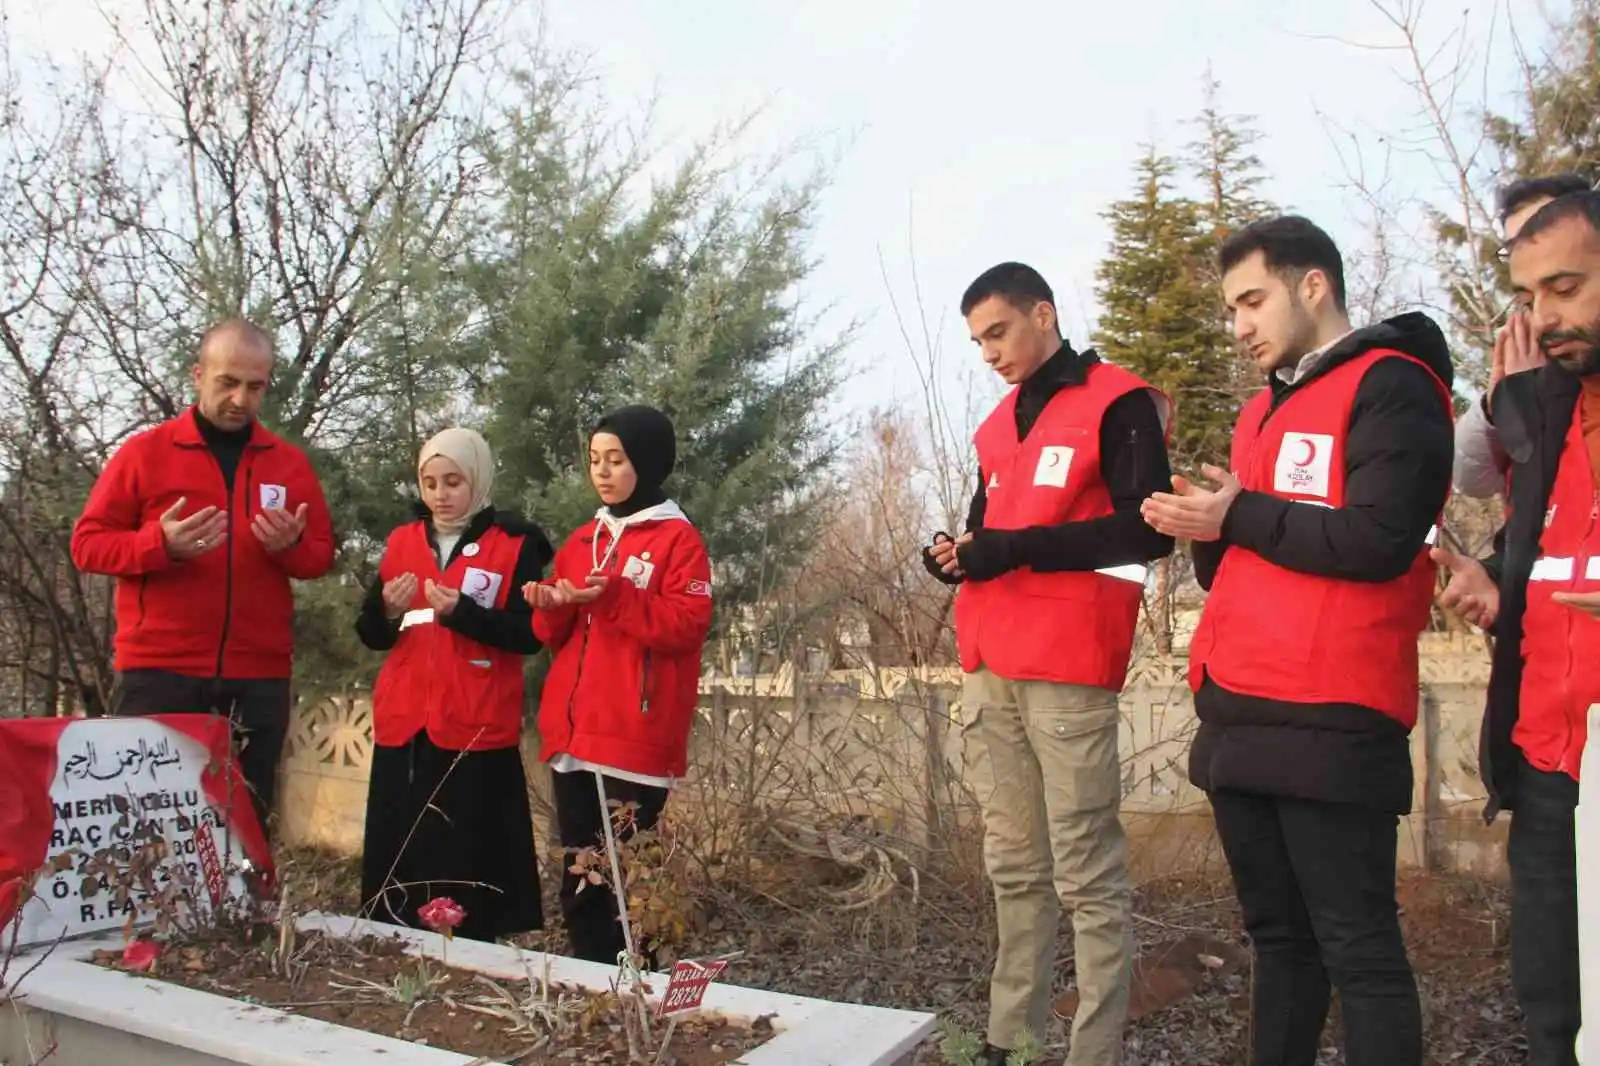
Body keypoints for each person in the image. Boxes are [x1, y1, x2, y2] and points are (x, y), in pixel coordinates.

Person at [1140, 215, 1454, 1066]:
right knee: (1278, 943)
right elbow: (1244, 569)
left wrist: (1239, 513)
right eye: (1230, 309)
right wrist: (1207, 527)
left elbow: (1379, 539)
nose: (1239, 325)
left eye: (1252, 300)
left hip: (1332, 716)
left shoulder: (1394, 386)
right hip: (1241, 714)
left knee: (1359, 950)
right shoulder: (1261, 412)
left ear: (1312, 284)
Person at [922, 262, 1175, 1066]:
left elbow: (1147, 531)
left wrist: (1012, 549)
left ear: (1044, 313)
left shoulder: (1119, 401)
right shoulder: (996, 427)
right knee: (1014, 867)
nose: (989, 352)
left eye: (998, 331)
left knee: (1086, 872)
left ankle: (1092, 1051)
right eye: (977, 341)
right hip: (990, 660)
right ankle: (1011, 1041)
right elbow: (983, 530)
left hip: (1069, 663)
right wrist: (954, 556)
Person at [1433, 189, 1600, 1066]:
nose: (1545, 318)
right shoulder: (1540, 409)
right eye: (1531, 296)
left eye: (1566, 288)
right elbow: (1549, 554)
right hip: (1547, 764)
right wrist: (1501, 589)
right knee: (1553, 1013)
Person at [70, 319, 336, 841]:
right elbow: (87, 545)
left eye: (255, 386)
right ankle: (147, 925)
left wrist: (290, 549)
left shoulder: (288, 465)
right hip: (159, 672)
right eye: (228, 381)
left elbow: (319, 558)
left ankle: (246, 921)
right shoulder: (146, 454)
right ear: (199, 375)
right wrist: (157, 545)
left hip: (257, 675)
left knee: (246, 821)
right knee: (147, 822)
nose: (240, 398)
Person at [524, 405, 714, 966]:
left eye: (616, 460)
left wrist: (616, 597)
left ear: (649, 462)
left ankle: (640, 994)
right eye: (594, 460)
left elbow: (686, 624)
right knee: (579, 876)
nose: (602, 472)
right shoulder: (584, 539)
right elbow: (558, 635)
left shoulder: (679, 541)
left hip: (634, 734)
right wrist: (550, 604)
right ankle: (591, 989)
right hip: (576, 737)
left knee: (629, 878)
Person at [354, 427, 553, 943]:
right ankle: (396, 936)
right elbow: (372, 635)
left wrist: (463, 612)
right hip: (407, 719)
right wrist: (386, 610)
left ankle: (471, 944)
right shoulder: (402, 540)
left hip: (474, 719)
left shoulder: (516, 543)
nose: (440, 494)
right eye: (429, 482)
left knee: (466, 847)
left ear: (479, 480)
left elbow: (529, 634)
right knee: (402, 843)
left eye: (453, 481)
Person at [1453, 174, 1588, 498]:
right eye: (1513, 246)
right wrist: (1499, 404)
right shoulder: (1522, 340)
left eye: (1539, 230)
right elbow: (1471, 480)